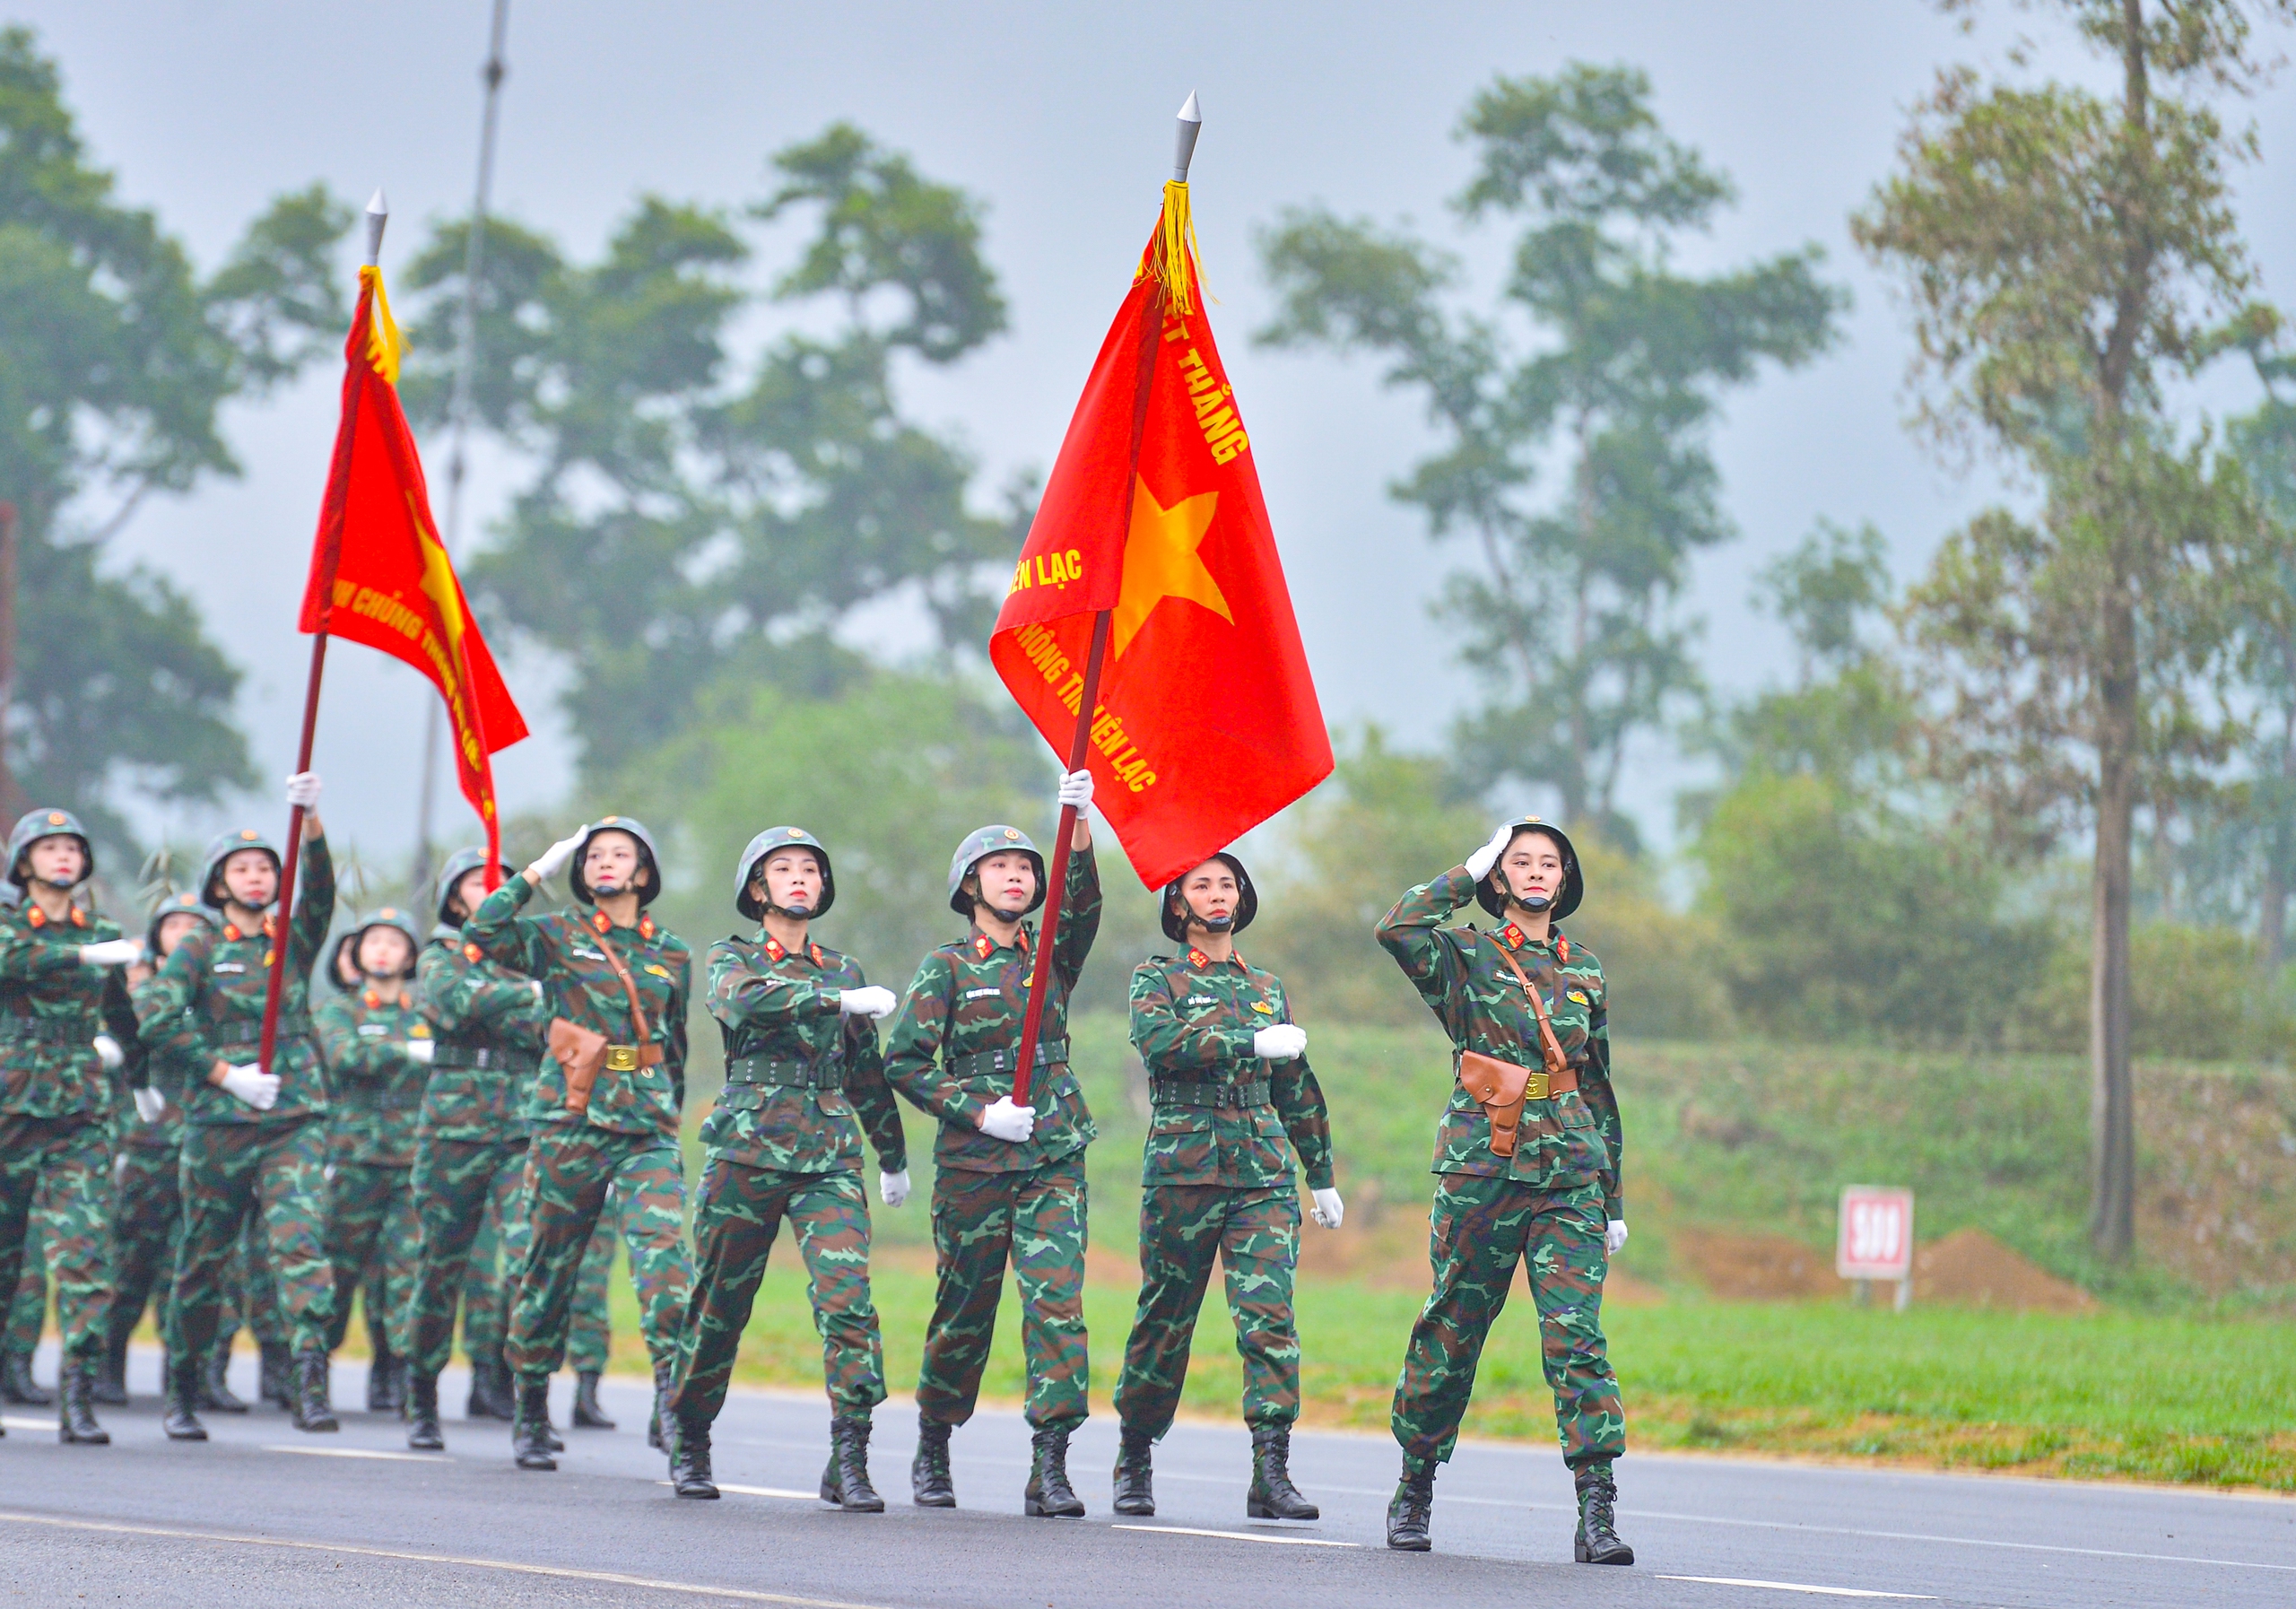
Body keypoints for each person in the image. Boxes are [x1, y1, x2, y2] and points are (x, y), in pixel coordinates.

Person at [1374, 817, 1631, 1564]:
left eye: (1549, 862)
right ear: (1499, 878)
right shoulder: (1467, 955)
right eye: (1520, 861)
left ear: (1565, 879)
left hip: (1570, 1174)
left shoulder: (1586, 971)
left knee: (1576, 1337)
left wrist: (1612, 1195)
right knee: (1453, 1326)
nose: (1537, 871)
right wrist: (1464, 871)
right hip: (1483, 1167)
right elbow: (1397, 929)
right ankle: (1415, 1486)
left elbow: (1597, 1083)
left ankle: (1597, 1509)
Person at [664, 827, 907, 1506]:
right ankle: (690, 1434)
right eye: (783, 868)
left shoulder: (844, 969)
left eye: (810, 869)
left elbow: (864, 1072)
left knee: (848, 1303)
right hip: (747, 1148)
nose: (799, 878)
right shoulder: (732, 957)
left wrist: (892, 1154)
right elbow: (743, 1001)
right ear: (757, 888)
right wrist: (834, 1001)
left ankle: (849, 1455)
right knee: (720, 1303)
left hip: (828, 1156)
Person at [883, 771, 1100, 1517]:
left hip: (1051, 1155)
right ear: (970, 885)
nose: (1015, 877)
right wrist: (977, 1113)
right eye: (999, 867)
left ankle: (1051, 1464)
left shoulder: (1053, 956)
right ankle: (934, 1438)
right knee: (965, 1312)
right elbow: (904, 1061)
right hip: (975, 1163)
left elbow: (1084, 905)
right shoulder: (946, 967)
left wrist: (1080, 825)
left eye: (1026, 868)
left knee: (1057, 1305)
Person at [1112, 851, 1341, 1520]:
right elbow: (1161, 1043)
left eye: (1228, 884)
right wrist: (1249, 1042)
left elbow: (1295, 1083)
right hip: (1183, 1169)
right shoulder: (1157, 978)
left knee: (1269, 1318)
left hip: (1261, 1172)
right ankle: (1135, 1453)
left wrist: (1320, 1173)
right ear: (1178, 903)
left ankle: (1271, 1470)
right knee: (1166, 1317)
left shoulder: (1267, 986)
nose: (1218, 894)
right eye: (1202, 884)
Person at [465, 815, 694, 1473]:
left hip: (645, 1124)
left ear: (643, 872)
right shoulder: (556, 935)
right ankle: (532, 1406)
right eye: (593, 855)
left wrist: (670, 1110)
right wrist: (536, 869)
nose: (604, 862)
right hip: (571, 1117)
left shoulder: (672, 951)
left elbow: (674, 1042)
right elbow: (483, 932)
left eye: (619, 854)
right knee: (549, 1269)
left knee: (666, 1267)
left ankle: (673, 1406)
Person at [145, 773, 340, 1439]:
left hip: (292, 1115)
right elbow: (157, 1017)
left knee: (301, 1245)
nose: (256, 878)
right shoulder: (200, 945)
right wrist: (223, 1073)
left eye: (265, 868)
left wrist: (310, 821)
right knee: (205, 1256)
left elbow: (322, 894)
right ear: (219, 883)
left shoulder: (292, 939)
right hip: (221, 1120)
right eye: (242, 869)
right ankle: (183, 1386)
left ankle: (310, 1384)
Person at [0, 808, 142, 1444]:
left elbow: (121, 1012)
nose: (63, 857)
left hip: (80, 1114)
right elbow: (12, 960)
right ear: (24, 862)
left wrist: (141, 1074)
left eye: (72, 848)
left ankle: (78, 1397)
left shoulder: (103, 931)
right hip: (10, 1107)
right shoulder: (9, 925)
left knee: (86, 1256)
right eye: (49, 847)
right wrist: (81, 954)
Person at [402, 848, 547, 1449]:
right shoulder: (439, 956)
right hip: (453, 1129)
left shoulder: (534, 955)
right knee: (440, 1264)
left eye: (500, 883)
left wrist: (512, 997)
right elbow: (453, 1004)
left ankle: (528, 1404)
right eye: (475, 883)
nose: (489, 891)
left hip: (523, 1126)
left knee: (529, 1259)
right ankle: (421, 1393)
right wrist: (523, 995)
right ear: (454, 898)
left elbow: (552, 1027)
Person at [315, 906, 432, 1415]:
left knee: (405, 1271)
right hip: (354, 1158)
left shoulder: (426, 1015)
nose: (383, 950)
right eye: (373, 941)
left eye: (394, 942)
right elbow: (345, 1057)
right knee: (338, 1268)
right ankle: (315, 1366)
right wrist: (406, 1051)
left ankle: (394, 1369)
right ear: (357, 953)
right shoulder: (338, 1011)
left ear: (410, 957)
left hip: (412, 1160)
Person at [100, 893, 215, 1408]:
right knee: (132, 1262)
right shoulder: (141, 992)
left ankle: (187, 1375)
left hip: (205, 1141)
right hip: (148, 1145)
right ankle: (109, 1364)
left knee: (191, 1266)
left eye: (196, 925)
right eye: (175, 925)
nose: (186, 933)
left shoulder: (222, 994)